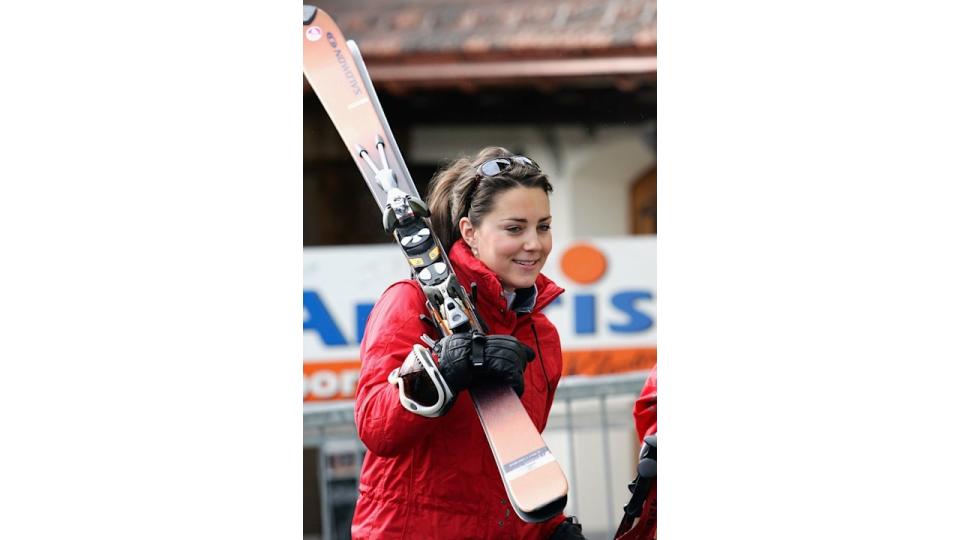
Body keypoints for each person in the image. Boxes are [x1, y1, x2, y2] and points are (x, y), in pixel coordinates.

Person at [350, 147, 584, 539]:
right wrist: (442, 371)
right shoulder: (411, 301)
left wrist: (549, 530)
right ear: (470, 232)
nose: (534, 244)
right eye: (514, 228)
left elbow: (511, 455)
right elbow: (376, 427)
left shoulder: (540, 334)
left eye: (543, 226)